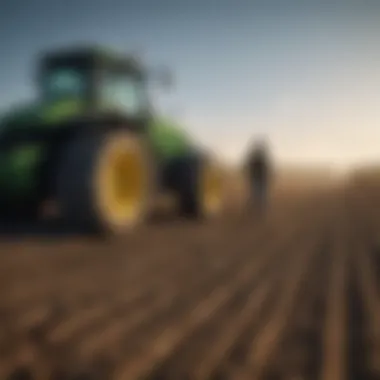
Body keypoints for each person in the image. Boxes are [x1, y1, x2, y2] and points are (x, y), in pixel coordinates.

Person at [245, 138, 272, 215]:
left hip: (259, 180)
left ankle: (259, 211)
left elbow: (249, 168)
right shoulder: (259, 159)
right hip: (258, 180)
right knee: (259, 196)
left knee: (258, 196)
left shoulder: (256, 158)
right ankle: (258, 211)